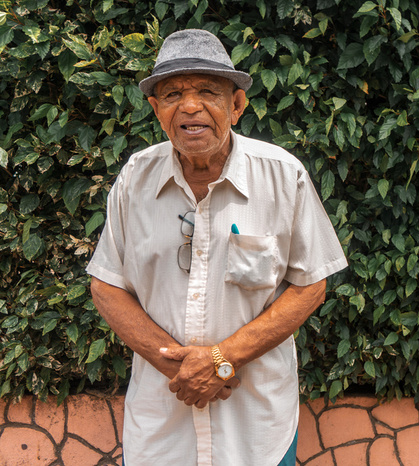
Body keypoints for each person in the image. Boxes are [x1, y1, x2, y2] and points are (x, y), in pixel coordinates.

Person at [87, 29, 347, 466]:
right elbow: (106, 285)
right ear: (156, 110)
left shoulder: (283, 176)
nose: (190, 106)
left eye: (208, 91)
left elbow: (310, 284)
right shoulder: (135, 178)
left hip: (256, 426)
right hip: (161, 426)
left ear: (237, 105)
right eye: (173, 94)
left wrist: (222, 359)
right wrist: (182, 369)